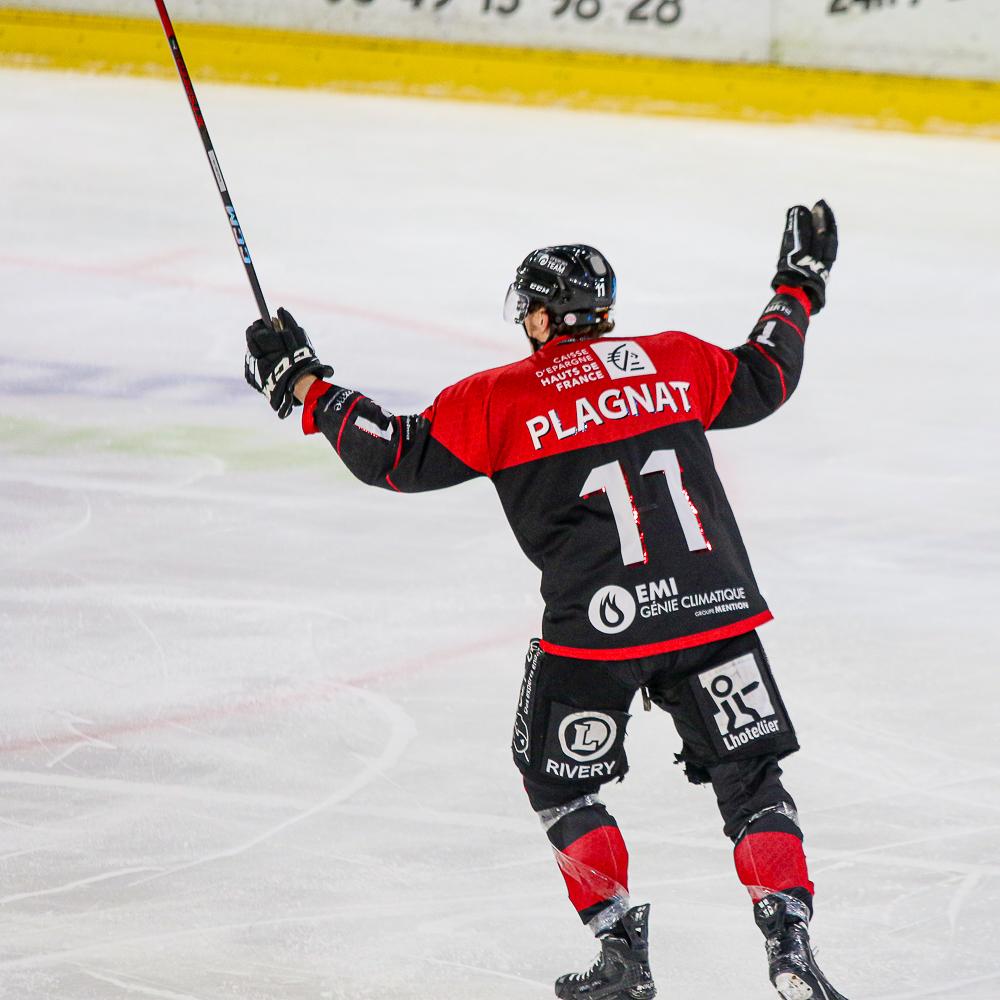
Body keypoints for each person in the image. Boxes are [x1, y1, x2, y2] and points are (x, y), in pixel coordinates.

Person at [244, 202, 848, 1000]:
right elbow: (768, 374)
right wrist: (798, 285)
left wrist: (305, 384)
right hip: (716, 613)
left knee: (562, 784)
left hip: (598, 634)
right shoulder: (671, 359)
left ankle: (621, 955)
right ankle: (790, 946)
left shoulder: (500, 398)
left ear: (537, 317)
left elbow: (392, 456)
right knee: (752, 781)